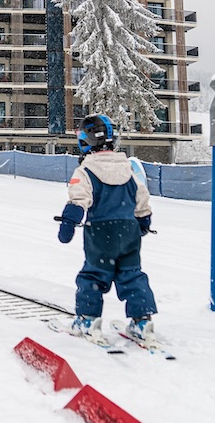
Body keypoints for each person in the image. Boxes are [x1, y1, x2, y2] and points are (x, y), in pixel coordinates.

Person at [57, 113, 158, 346]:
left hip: (101, 231)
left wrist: (68, 223)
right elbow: (141, 197)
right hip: (129, 229)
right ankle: (142, 321)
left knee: (93, 274)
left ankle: (88, 319)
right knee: (132, 274)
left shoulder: (85, 171)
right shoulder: (127, 168)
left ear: (85, 141)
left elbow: (78, 198)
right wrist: (144, 221)